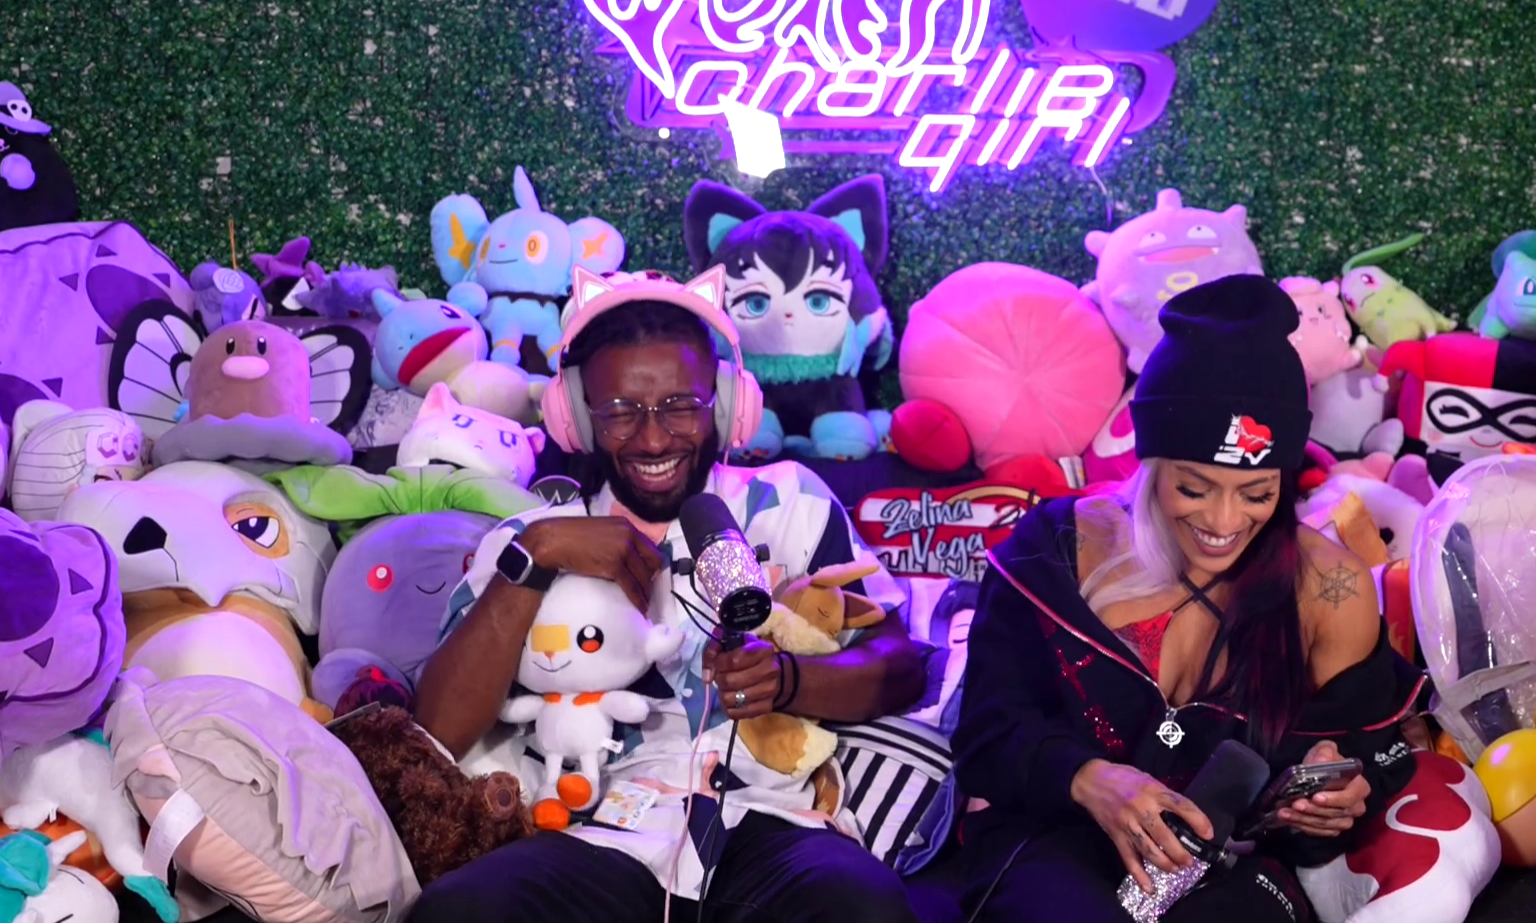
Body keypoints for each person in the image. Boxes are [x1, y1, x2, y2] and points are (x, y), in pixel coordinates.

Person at [408, 270, 926, 923]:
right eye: (619, 412)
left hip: (769, 825)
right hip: (590, 830)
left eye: (681, 406)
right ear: (577, 416)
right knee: (460, 911)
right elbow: (437, 733)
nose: (653, 440)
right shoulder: (526, 541)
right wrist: (537, 559)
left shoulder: (790, 501)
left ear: (725, 404)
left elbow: (900, 667)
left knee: (863, 906)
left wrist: (791, 680)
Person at [952, 274, 1425, 922]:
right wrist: (1087, 778)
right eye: (1194, 489)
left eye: (1257, 494)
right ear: (1151, 465)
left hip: (1229, 862)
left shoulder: (1328, 588)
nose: (1224, 522)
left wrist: (1337, 790)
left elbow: (1368, 749)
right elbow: (985, 733)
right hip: (1052, 838)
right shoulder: (1055, 551)